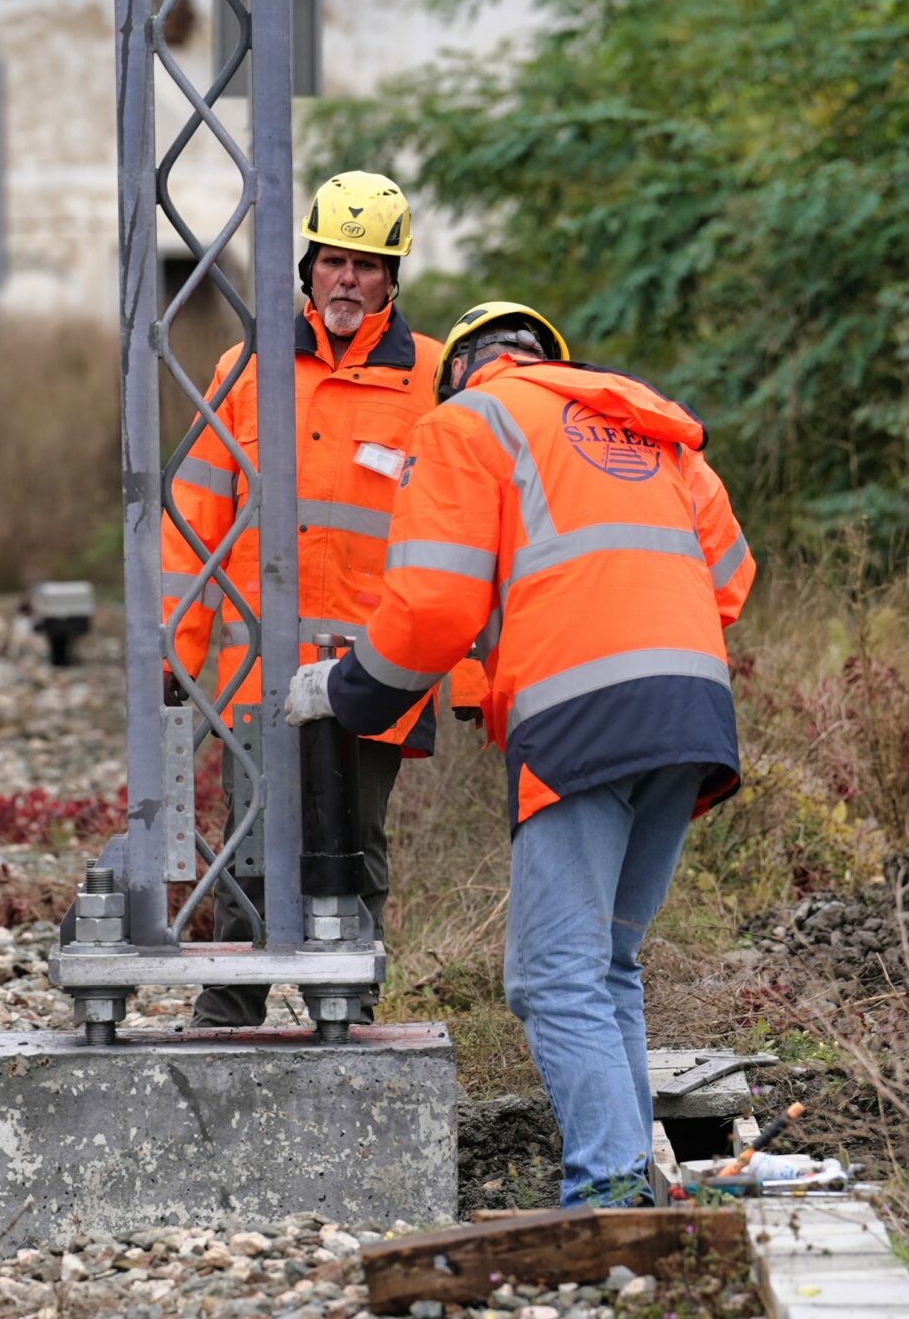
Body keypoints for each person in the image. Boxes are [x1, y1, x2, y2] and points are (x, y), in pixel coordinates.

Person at [284, 301, 755, 1207]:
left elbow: (430, 608)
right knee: (607, 965)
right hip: (691, 712)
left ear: (462, 367)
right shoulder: (644, 427)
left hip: (584, 717)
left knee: (549, 976)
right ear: (549, 361)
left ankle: (609, 1190)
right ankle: (631, 1182)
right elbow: (730, 577)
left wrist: (348, 691)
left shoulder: (468, 421)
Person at [159, 170, 465, 1028]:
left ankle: (348, 1001)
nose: (346, 280)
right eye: (333, 261)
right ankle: (231, 1004)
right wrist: (174, 656)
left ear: (392, 277)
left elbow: (469, 537)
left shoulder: (435, 381)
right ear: (307, 267)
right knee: (253, 834)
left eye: (367, 267)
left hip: (377, 665)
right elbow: (192, 523)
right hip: (258, 667)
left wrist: (471, 678)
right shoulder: (247, 367)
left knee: (354, 840)